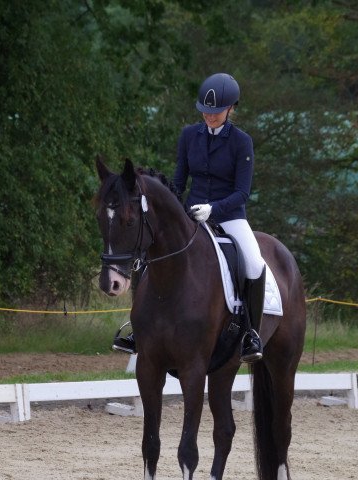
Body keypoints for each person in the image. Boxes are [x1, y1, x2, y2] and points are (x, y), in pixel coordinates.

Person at [113, 72, 265, 363]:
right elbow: (178, 183)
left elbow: (242, 193)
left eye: (216, 111)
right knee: (147, 251)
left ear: (231, 108)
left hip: (229, 216)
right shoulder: (188, 136)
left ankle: (250, 333)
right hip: (192, 214)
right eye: (205, 111)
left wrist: (214, 209)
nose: (209, 116)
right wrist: (174, 207)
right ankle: (138, 328)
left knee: (255, 263)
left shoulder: (242, 143)